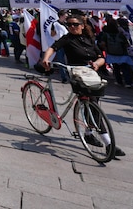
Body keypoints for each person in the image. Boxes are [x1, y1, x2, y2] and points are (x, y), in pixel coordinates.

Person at [40, 13, 126, 158]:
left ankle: (88, 133)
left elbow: (100, 57)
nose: (72, 27)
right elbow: (52, 48)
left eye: (75, 24)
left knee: (91, 104)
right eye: (69, 25)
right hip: (76, 74)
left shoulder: (89, 39)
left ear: (82, 25)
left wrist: (97, 64)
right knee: (92, 104)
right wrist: (46, 59)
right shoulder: (67, 39)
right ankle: (109, 144)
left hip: (91, 74)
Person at [98, 19, 133, 87]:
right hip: (122, 54)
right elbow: (127, 44)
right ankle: (128, 82)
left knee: (116, 68)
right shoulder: (120, 34)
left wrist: (106, 49)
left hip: (112, 54)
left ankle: (119, 81)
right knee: (125, 68)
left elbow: (102, 43)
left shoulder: (105, 34)